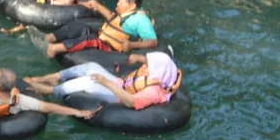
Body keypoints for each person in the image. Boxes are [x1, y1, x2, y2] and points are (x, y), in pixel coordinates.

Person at [24, 51, 183, 110]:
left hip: (119, 96)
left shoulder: (153, 90)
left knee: (88, 81)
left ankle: (51, 91)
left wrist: (105, 83)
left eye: (149, 65)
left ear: (158, 71)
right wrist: (137, 57)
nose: (145, 65)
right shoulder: (158, 73)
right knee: (91, 66)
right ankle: (54, 77)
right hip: (121, 84)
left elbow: (132, 102)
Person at [43, 0, 157, 58]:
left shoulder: (142, 20)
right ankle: (48, 38)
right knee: (79, 26)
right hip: (103, 38)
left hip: (112, 49)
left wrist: (132, 44)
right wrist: (97, 6)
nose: (117, 4)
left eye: (120, 3)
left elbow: (153, 42)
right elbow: (114, 21)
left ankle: (53, 49)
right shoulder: (127, 12)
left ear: (132, 5)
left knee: (91, 40)